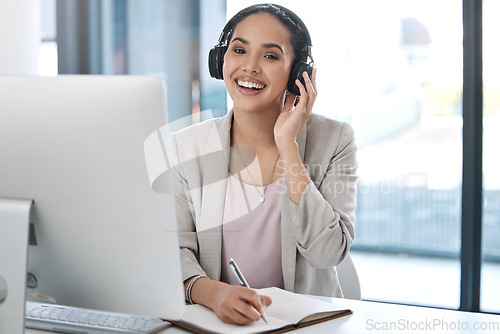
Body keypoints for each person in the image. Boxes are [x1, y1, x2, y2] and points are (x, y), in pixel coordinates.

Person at [168, 3, 357, 326]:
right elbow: (173, 249)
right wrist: (212, 293)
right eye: (239, 50)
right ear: (220, 61)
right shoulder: (187, 147)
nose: (250, 67)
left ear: (299, 74)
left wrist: (289, 146)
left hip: (306, 327)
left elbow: (326, 254)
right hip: (214, 324)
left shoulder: (335, 139)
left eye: (270, 56)